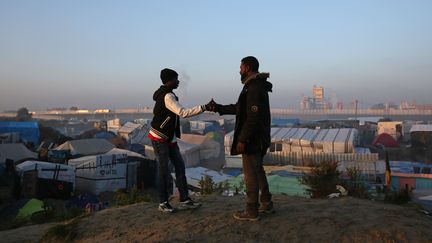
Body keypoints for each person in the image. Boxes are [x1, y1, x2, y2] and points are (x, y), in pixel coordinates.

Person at [211, 56, 274, 221]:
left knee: (250, 174)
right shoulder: (254, 86)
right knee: (258, 170)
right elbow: (240, 109)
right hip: (258, 138)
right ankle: (266, 203)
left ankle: (252, 211)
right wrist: (218, 108)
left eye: (240, 67)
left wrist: (242, 139)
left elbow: (252, 117)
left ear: (247, 68)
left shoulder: (253, 88)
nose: (239, 70)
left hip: (253, 140)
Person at [149, 68, 213, 213]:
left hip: (168, 137)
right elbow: (182, 113)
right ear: (169, 81)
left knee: (179, 166)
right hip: (160, 137)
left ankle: (185, 199)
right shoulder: (168, 97)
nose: (178, 81)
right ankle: (163, 202)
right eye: (176, 79)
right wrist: (204, 107)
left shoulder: (168, 94)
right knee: (163, 170)